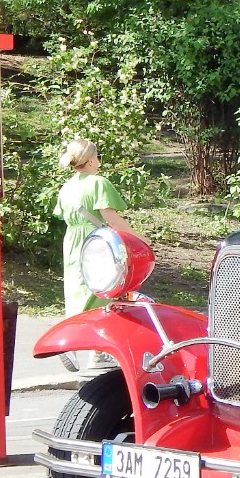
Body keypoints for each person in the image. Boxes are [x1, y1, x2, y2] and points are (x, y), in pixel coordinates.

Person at [53, 137, 147, 370]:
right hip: (96, 241)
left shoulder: (67, 187)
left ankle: (94, 352)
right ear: (91, 160)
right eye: (97, 157)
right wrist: (139, 238)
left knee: (78, 288)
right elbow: (111, 218)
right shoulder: (98, 183)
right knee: (102, 290)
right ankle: (76, 343)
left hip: (73, 239)